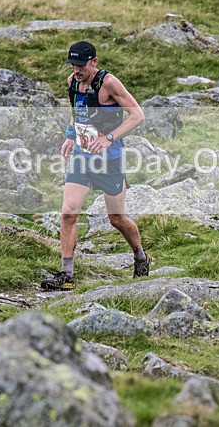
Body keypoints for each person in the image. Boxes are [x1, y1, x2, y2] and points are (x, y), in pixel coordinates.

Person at [41, 41, 148, 290]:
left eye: (80, 65)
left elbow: (138, 115)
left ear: (94, 62)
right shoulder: (73, 83)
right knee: (69, 212)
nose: (76, 70)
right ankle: (66, 274)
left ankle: (140, 256)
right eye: (73, 65)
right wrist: (70, 135)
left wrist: (109, 138)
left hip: (109, 161)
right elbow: (77, 111)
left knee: (117, 219)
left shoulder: (108, 83)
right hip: (81, 157)